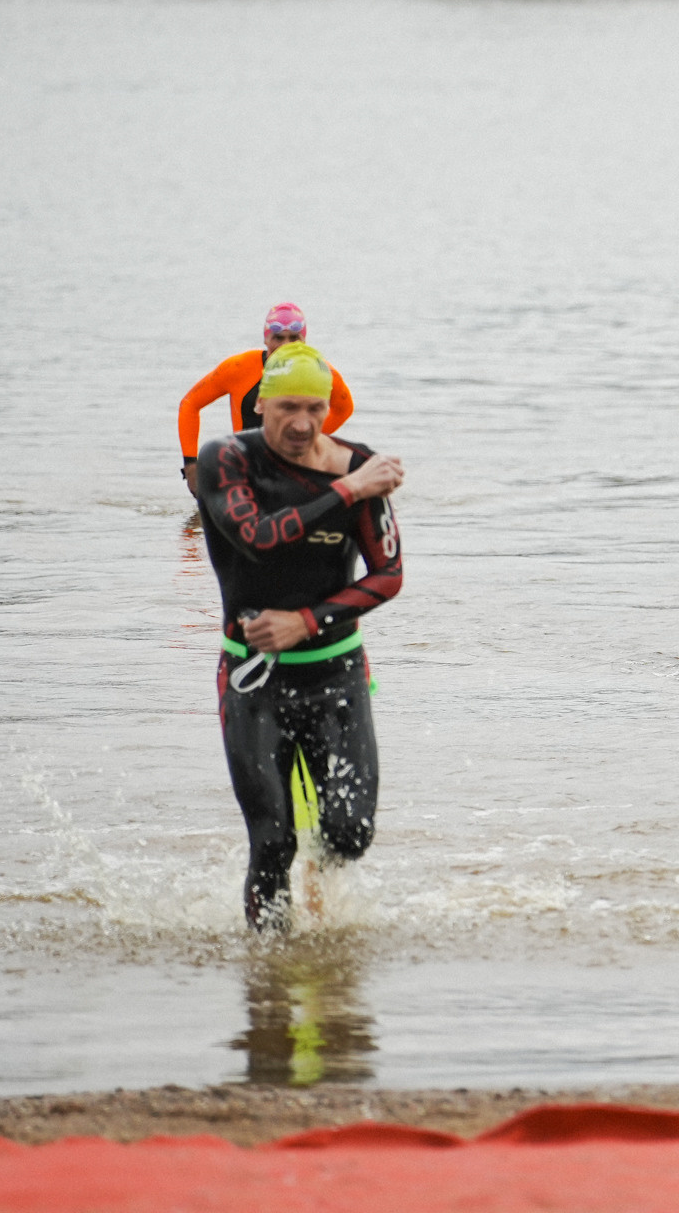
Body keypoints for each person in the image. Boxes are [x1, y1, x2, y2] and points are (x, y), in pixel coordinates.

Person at [193, 342, 405, 931]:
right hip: (251, 676)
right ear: (260, 404)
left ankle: (319, 894)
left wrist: (306, 622)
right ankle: (270, 981)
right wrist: (348, 491)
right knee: (272, 841)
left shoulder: (354, 461)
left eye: (316, 408)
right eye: (288, 407)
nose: (303, 423)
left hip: (335, 669)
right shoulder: (227, 459)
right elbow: (259, 536)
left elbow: (389, 575)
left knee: (352, 833)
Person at [180, 303, 355, 492]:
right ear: (266, 338)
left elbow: (344, 409)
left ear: (303, 339)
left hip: (293, 470)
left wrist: (308, 440)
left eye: (293, 338)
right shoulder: (239, 368)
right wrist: (191, 465)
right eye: (278, 338)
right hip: (245, 469)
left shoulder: (320, 371)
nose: (285, 345)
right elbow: (190, 404)